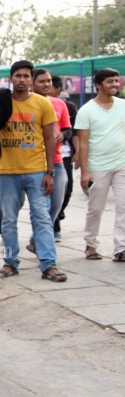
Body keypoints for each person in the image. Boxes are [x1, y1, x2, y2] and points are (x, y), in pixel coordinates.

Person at [0, 60, 65, 281]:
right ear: (11, 78)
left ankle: (48, 264)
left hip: (36, 171)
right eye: (18, 76)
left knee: (42, 218)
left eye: (26, 76)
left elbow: (50, 138)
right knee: (8, 219)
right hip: (7, 171)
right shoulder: (0, 102)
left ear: (31, 80)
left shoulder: (43, 104)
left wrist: (50, 172)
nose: (22, 80)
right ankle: (11, 262)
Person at [75, 67, 125, 262]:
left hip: (122, 164)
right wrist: (84, 173)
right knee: (96, 208)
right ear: (98, 85)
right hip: (98, 167)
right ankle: (90, 245)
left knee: (124, 207)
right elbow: (83, 143)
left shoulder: (123, 105)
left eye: (116, 80)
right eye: (110, 81)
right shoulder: (86, 110)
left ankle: (121, 248)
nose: (115, 84)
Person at [29, 69, 72, 248]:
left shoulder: (59, 104)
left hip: (57, 161)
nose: (46, 85)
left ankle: (35, 240)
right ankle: (42, 245)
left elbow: (68, 129)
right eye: (42, 81)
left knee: (56, 204)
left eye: (48, 82)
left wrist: (63, 135)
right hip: (34, 163)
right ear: (33, 83)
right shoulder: (23, 103)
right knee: (40, 207)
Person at [52, 75, 78, 239]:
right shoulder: (32, 104)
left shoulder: (67, 106)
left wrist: (79, 152)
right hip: (42, 157)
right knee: (47, 195)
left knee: (66, 191)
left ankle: (57, 216)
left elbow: (72, 130)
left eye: (49, 83)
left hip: (64, 156)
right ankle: (53, 227)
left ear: (57, 89)